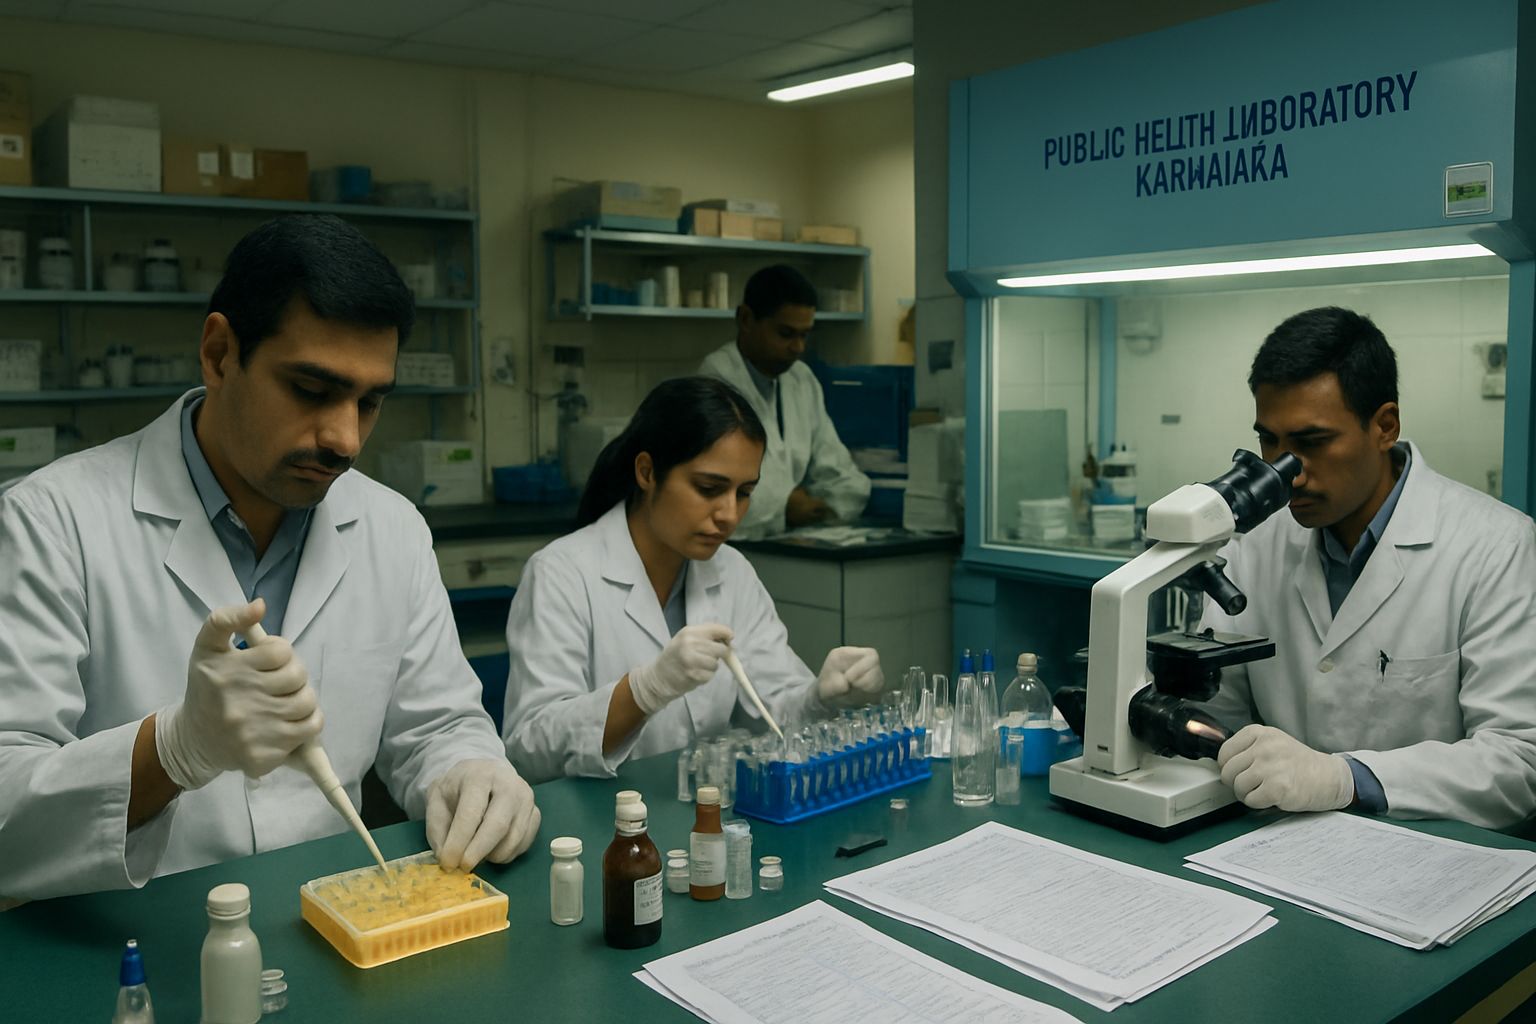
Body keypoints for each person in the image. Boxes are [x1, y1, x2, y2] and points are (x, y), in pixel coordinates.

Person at [0, 216, 539, 900]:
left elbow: (436, 723)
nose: (345, 439)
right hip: (125, 951)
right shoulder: (53, 522)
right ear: (220, 353)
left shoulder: (390, 527)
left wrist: (471, 771)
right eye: (311, 391)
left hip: (325, 930)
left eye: (370, 402)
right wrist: (171, 751)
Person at [1200, 306, 1536, 830]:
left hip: (1434, 855)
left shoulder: (1496, 546)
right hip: (1277, 844)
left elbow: (1517, 762)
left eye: (1311, 443)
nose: (1287, 473)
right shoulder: (1253, 546)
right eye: (1270, 442)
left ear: (1384, 426)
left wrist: (1347, 778)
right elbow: (1216, 717)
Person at [502, 376, 885, 782]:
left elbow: (775, 715)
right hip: (601, 829)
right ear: (647, 472)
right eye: (708, 488)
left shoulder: (732, 572)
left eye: (744, 492)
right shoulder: (562, 574)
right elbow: (528, 751)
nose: (729, 515)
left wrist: (825, 698)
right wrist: (644, 690)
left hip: (707, 822)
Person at [698, 264, 870, 538]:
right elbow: (722, 487)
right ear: (745, 319)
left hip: (792, 541)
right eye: (786, 334)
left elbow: (838, 470)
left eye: (804, 335)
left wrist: (821, 505)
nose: (798, 348)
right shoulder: (716, 379)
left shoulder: (801, 379)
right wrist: (784, 507)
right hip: (734, 549)